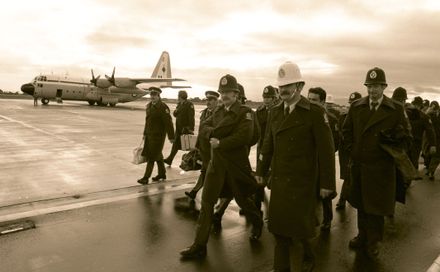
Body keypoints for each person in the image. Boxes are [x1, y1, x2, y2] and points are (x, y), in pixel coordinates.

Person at [256, 61, 336, 271]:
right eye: (280, 87)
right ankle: (280, 268)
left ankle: (308, 256)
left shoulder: (315, 113)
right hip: (281, 181)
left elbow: (326, 152)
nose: (283, 90)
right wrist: (261, 172)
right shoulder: (275, 112)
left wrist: (327, 183)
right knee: (280, 230)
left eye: (288, 86)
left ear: (299, 87)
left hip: (304, 182)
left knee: (302, 230)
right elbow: (267, 144)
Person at [180, 74, 263, 259]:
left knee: (244, 201)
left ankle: (258, 224)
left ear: (236, 94)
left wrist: (221, 142)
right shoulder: (217, 112)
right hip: (216, 166)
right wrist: (217, 136)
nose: (224, 95)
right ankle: (199, 244)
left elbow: (246, 136)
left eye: (228, 92)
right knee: (207, 204)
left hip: (235, 167)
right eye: (222, 92)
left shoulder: (246, 112)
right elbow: (204, 129)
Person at [342, 67, 410, 259]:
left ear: (384, 87)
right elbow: (346, 131)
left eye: (376, 87)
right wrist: (352, 151)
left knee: (377, 208)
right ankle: (362, 235)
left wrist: (395, 140)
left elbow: (407, 139)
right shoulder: (356, 107)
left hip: (381, 168)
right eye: (369, 86)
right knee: (361, 204)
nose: (372, 91)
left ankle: (374, 241)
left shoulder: (396, 109)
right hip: (360, 165)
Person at [307, 87, 339, 231]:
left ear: (323, 102)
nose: (310, 103)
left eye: (314, 100)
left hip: (323, 162)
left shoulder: (331, 120)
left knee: (325, 193)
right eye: (309, 99)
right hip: (309, 161)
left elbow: (335, 143)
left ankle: (327, 219)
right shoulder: (304, 117)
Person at [184, 90, 220, 199]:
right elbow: (201, 130)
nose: (208, 102)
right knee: (205, 171)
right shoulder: (204, 113)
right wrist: (197, 145)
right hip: (204, 148)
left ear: (216, 101)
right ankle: (196, 192)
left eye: (211, 100)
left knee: (209, 173)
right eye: (207, 100)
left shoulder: (219, 114)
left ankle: (201, 194)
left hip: (213, 149)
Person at [137, 87, 174, 184]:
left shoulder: (163, 107)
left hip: (158, 137)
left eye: (154, 95)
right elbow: (147, 121)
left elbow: (168, 123)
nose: (152, 97)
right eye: (151, 95)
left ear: (158, 96)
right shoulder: (149, 106)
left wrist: (171, 136)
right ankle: (162, 174)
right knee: (158, 155)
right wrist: (144, 133)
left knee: (151, 157)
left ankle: (146, 178)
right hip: (149, 135)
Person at [336, 91, 362, 210]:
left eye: (354, 103)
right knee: (347, 176)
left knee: (354, 177)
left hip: (357, 151)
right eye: (351, 103)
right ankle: (343, 199)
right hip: (345, 151)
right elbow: (341, 134)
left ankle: (347, 198)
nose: (352, 105)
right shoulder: (343, 117)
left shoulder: (363, 116)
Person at [164, 90, 195, 166]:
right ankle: (169, 160)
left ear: (181, 96)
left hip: (185, 129)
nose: (177, 97)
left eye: (178, 95)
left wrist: (191, 128)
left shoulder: (189, 104)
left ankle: (194, 160)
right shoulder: (179, 104)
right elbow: (175, 114)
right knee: (176, 144)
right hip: (178, 129)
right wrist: (175, 111)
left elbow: (191, 117)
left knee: (190, 146)